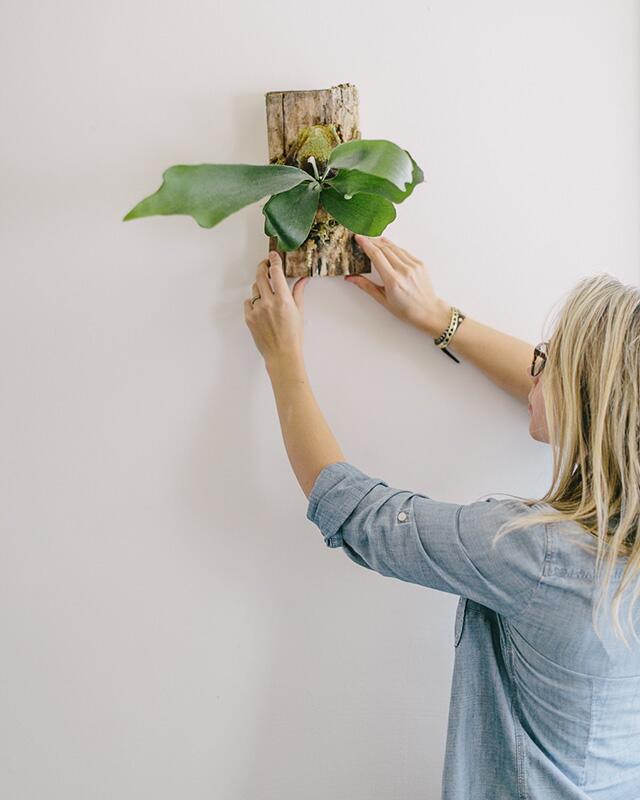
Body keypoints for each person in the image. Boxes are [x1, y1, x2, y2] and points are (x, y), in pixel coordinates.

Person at [243, 233, 640, 799]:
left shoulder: (534, 555)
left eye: (546, 361)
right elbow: (573, 392)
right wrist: (437, 317)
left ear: (583, 397)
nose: (534, 370)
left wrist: (283, 359)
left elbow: (360, 515)